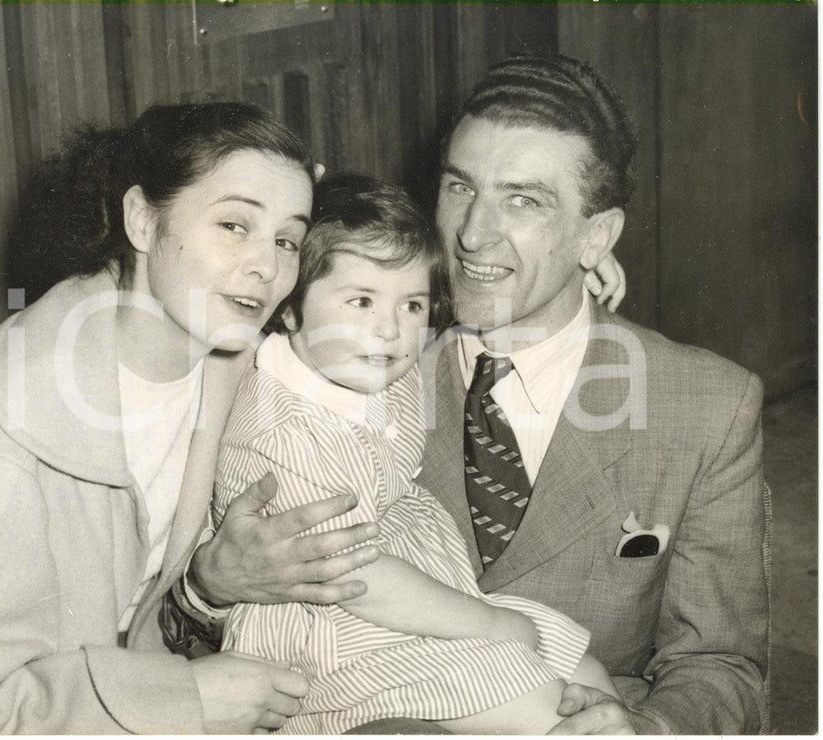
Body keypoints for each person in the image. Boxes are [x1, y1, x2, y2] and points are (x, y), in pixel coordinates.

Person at [170, 54, 769, 735]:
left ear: (596, 236)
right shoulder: (352, 353)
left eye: (524, 200)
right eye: (460, 188)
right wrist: (210, 587)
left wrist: (652, 729)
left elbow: (722, 664)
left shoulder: (709, 406)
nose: (473, 233)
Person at [0, 102, 380, 734]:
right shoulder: (1, 450)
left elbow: (128, 605)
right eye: (234, 225)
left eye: (287, 238)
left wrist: (206, 586)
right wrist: (182, 699)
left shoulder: (223, 362)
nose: (268, 266)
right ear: (143, 220)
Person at [211, 172, 618, 734]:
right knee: (548, 713)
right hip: (342, 635)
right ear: (288, 309)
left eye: (411, 306)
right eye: (361, 301)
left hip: (425, 598)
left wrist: (575, 263)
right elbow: (360, 579)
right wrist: (490, 624)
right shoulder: (282, 438)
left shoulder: (366, 364)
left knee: (594, 680)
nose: (390, 330)